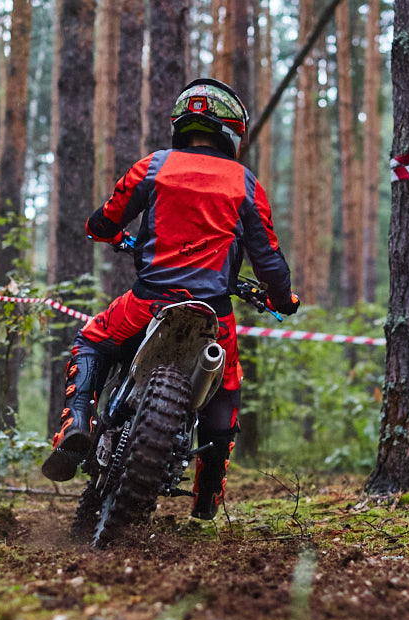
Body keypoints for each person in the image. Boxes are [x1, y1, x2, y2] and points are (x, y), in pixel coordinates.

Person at [41, 77, 299, 521]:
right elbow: (270, 261)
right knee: (226, 388)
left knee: (91, 340)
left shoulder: (152, 166)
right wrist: (284, 299)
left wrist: (113, 235)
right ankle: (207, 495)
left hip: (147, 304)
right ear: (231, 129)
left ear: (183, 124)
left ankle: (76, 424)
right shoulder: (245, 183)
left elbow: (101, 222)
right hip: (214, 314)